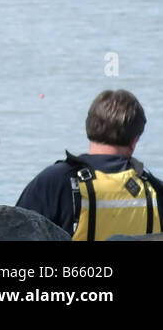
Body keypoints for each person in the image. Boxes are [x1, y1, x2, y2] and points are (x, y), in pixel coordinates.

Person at [16, 89, 162, 239]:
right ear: (134, 141)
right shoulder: (155, 190)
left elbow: (11, 231)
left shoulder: (54, 182)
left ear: (89, 128)